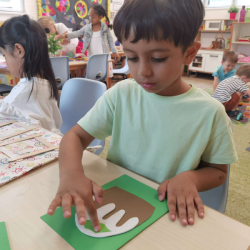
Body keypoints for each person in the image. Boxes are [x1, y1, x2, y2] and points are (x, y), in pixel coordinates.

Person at [48, 0, 237, 230]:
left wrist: (191, 178)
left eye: (158, 58)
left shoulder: (211, 112)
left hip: (167, 216)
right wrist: (70, 175)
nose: (142, 71)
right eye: (132, 57)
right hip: (117, 202)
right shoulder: (121, 95)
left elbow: (218, 172)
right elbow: (74, 137)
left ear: (189, 53)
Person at [0, 15, 62, 135]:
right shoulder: (46, 83)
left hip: (40, 147)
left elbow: (8, 108)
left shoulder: (26, 89)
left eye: (4, 55)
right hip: (52, 140)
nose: (6, 61)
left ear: (19, 50)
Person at [62, 4, 120, 78]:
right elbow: (76, 33)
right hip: (92, 56)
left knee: (104, 76)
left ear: (100, 17)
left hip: (103, 56)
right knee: (92, 76)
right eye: (89, 16)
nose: (90, 19)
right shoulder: (87, 28)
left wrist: (114, 52)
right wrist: (65, 35)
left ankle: (105, 88)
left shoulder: (105, 28)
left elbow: (111, 41)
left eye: (93, 17)